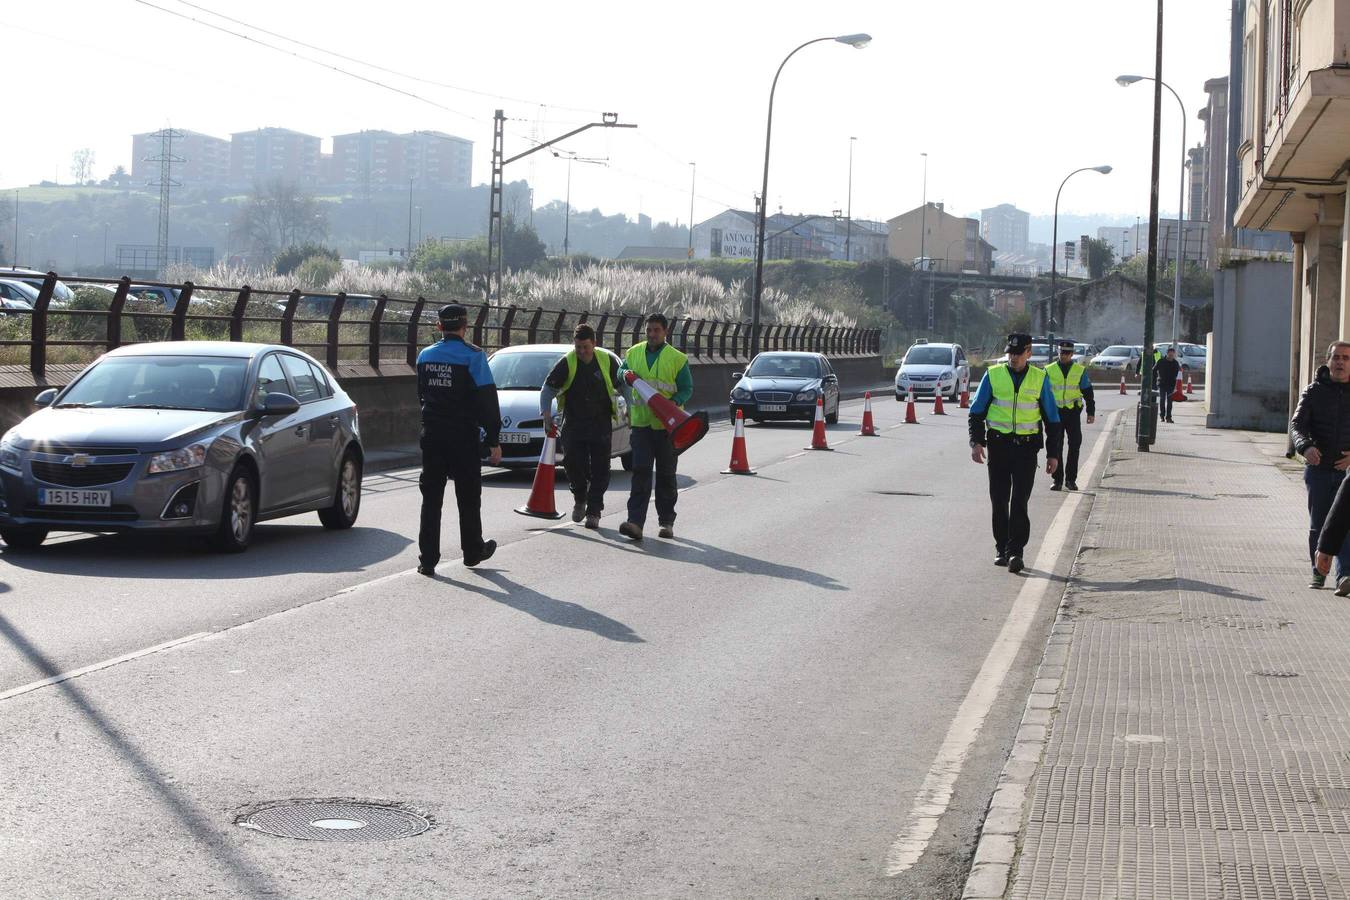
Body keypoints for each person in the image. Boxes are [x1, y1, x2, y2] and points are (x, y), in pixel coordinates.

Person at [415, 303, 502, 576]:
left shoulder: (425, 356)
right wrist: (493, 438)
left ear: (439, 326)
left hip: (432, 435)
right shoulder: (474, 357)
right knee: (468, 496)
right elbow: (487, 400)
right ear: (465, 327)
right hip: (463, 436)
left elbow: (421, 396)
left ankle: (427, 559)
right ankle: (472, 551)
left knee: (431, 499)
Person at [969, 333, 1063, 574]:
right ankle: (1001, 548)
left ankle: (1016, 552)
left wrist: (1053, 455)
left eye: (1018, 353)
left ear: (1028, 352)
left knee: (1020, 501)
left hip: (1026, 449)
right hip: (999, 446)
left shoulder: (1039, 378)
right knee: (999, 500)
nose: (1013, 357)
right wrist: (976, 442)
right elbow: (977, 412)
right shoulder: (993, 375)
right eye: (1010, 353)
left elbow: (1052, 420)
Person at [618, 313, 693, 541]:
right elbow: (621, 371)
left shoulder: (677, 359)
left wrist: (673, 402)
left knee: (666, 475)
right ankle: (635, 523)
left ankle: (666, 522)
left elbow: (686, 388)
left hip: (667, 427)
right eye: (649, 330)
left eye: (656, 330)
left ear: (665, 332)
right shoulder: (634, 352)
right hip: (641, 425)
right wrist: (625, 374)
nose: (651, 334)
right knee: (640, 472)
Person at [540, 323, 621, 530]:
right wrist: (546, 415)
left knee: (601, 468)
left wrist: (633, 407)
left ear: (594, 343)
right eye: (578, 347)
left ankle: (594, 511)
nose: (582, 351)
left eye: (585, 347)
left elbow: (623, 386)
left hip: (600, 423)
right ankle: (580, 497)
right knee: (572, 462)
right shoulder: (567, 363)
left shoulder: (607, 361)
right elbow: (547, 390)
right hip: (574, 422)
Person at [1294, 340, 1350, 590]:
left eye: (1346, 358)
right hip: (1318, 470)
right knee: (1319, 524)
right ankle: (1318, 572)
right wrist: (1305, 447)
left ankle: (1345, 576)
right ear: (1328, 361)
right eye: (1336, 357)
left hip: (1347, 471)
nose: (1340, 362)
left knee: (1346, 524)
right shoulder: (1313, 391)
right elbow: (1297, 426)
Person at [1045, 339, 1095, 492]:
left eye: (1067, 353)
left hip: (1072, 412)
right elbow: (1043, 393)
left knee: (1075, 445)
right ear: (1058, 353)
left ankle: (1071, 480)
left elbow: (1087, 391)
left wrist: (1090, 411)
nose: (1064, 356)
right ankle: (1057, 480)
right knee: (1056, 446)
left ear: (1072, 354)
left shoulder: (1079, 370)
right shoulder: (1048, 369)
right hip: (1055, 414)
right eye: (1061, 353)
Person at [1152, 346, 1182, 423]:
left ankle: (1168, 417)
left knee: (1170, 401)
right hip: (1161, 383)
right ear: (1167, 354)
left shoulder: (1175, 363)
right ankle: (1162, 416)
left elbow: (1177, 374)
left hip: (1171, 385)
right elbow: (1154, 370)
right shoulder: (1161, 361)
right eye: (1170, 355)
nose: (1171, 356)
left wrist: (1176, 386)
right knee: (1162, 399)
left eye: (1173, 355)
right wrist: (1155, 379)